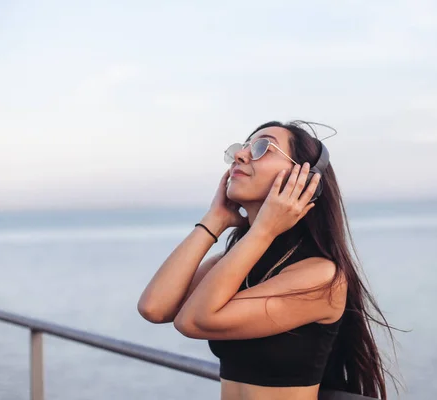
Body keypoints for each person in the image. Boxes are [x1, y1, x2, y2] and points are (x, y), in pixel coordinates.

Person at [138, 121, 398, 400]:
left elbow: (194, 321)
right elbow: (155, 308)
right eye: (243, 147)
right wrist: (215, 220)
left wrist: (263, 229)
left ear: (305, 180)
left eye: (263, 147)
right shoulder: (234, 262)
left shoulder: (321, 276)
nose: (241, 155)